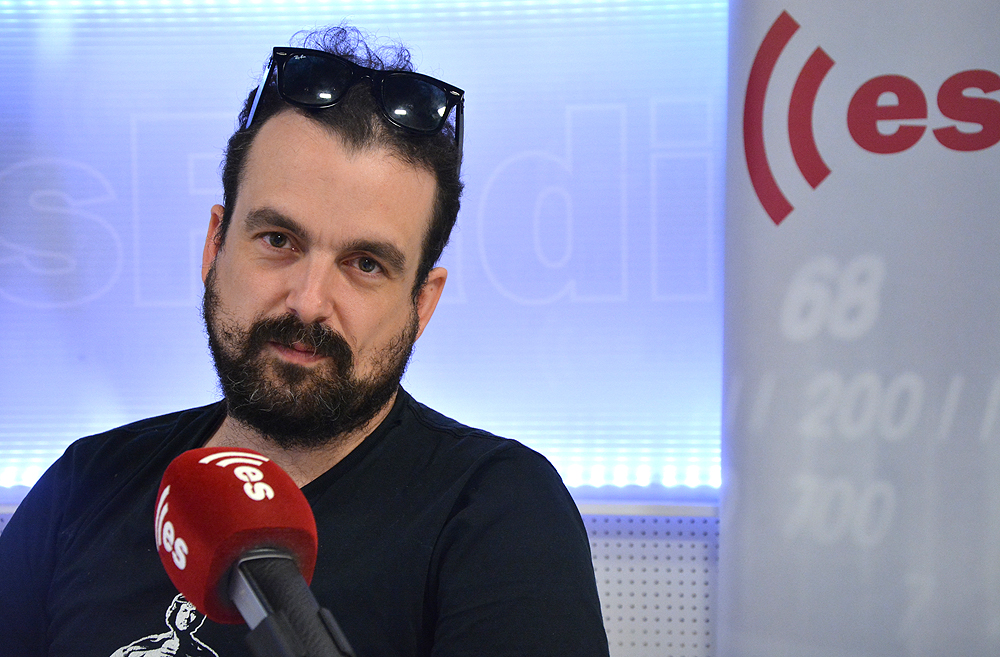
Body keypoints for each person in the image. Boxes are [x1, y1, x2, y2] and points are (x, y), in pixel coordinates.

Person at [0, 23, 610, 657]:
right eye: (278, 240)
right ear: (215, 245)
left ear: (422, 304)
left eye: (365, 264)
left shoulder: (498, 512)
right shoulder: (88, 485)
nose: (309, 301)